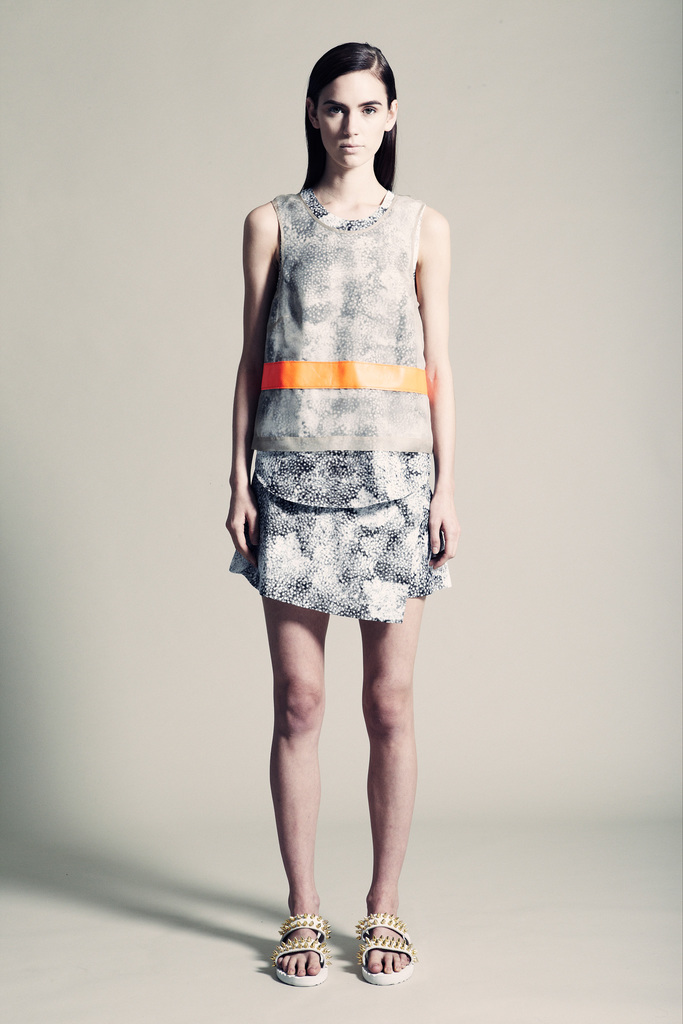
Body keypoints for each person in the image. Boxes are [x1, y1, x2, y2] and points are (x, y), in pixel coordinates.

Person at [226, 41, 460, 987]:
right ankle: (302, 908)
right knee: (300, 701)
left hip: (395, 482)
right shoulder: (270, 223)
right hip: (290, 476)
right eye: (333, 107)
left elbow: (439, 364)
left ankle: (384, 905)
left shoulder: (422, 226)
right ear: (312, 115)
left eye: (367, 108)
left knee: (388, 702)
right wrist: (235, 478)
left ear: (391, 116)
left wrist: (447, 486)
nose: (349, 125)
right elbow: (251, 358)